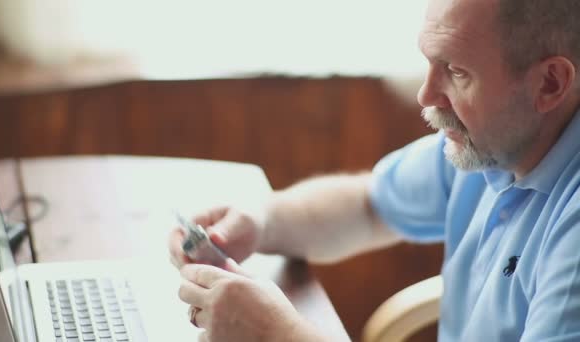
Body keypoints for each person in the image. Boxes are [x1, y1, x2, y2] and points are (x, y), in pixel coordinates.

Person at [169, 0, 580, 340]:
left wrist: (277, 334)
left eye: (457, 72)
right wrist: (261, 221)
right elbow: (368, 204)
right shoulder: (494, 141)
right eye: (430, 62)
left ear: (549, 83)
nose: (427, 94)